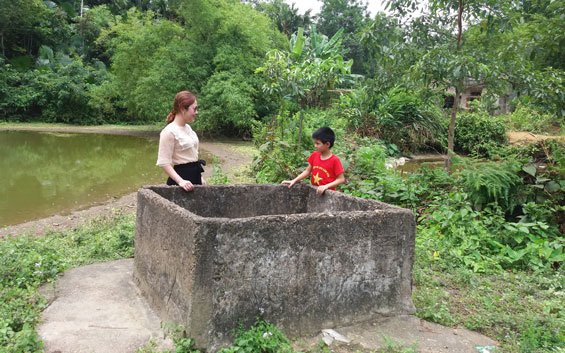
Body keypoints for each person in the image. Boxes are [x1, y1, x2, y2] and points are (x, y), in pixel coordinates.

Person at [156, 90, 206, 192]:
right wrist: (181, 181)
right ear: (183, 109)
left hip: (195, 178)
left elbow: (191, 156)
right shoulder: (169, 132)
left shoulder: (188, 128)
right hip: (181, 183)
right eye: (194, 109)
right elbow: (164, 162)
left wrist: (200, 177)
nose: (197, 112)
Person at [281, 127, 345, 195]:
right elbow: (307, 171)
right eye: (314, 143)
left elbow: (341, 179)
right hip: (315, 192)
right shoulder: (314, 155)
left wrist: (326, 186)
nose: (315, 146)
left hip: (328, 194)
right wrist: (294, 180)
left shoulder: (335, 160)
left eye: (317, 143)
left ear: (327, 144)